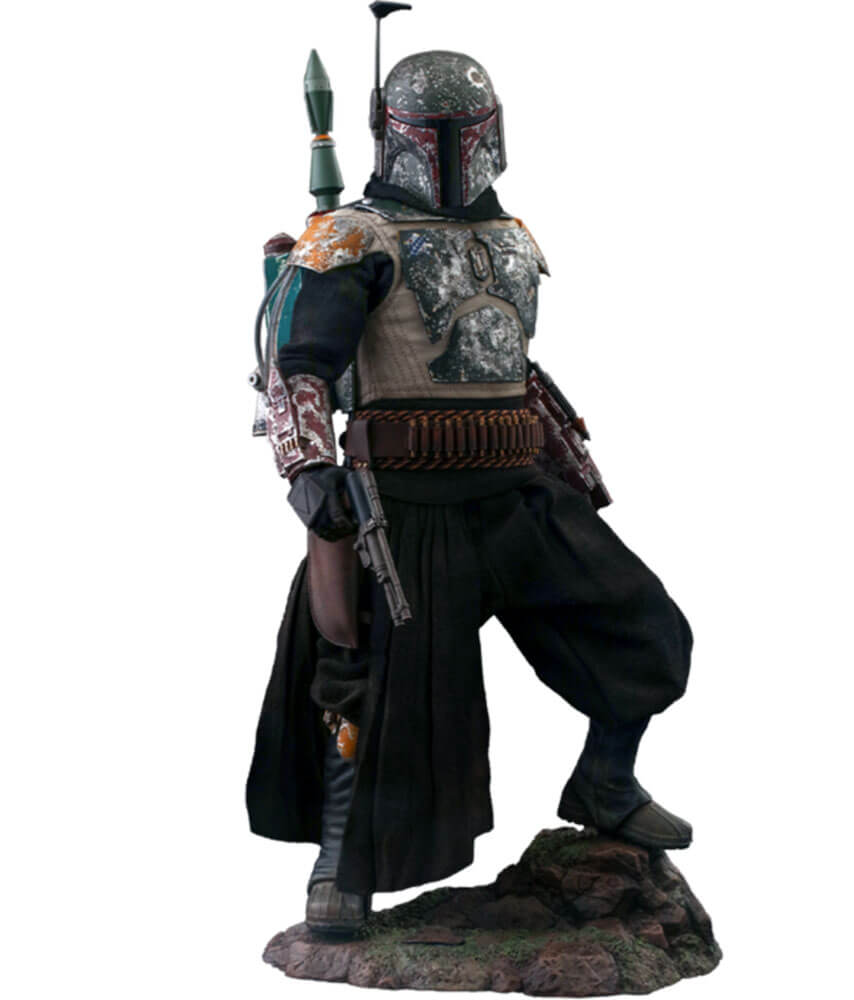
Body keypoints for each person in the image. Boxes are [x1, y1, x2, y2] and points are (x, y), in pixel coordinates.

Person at [247, 50, 694, 934]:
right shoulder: (351, 239)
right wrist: (308, 469)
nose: (454, 150)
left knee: (644, 629)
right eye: (437, 133)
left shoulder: (513, 236)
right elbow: (296, 366)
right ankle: (340, 866)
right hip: (403, 505)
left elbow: (510, 364)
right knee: (374, 686)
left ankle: (605, 783)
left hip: (517, 491)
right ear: (397, 134)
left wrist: (568, 463)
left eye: (465, 131)